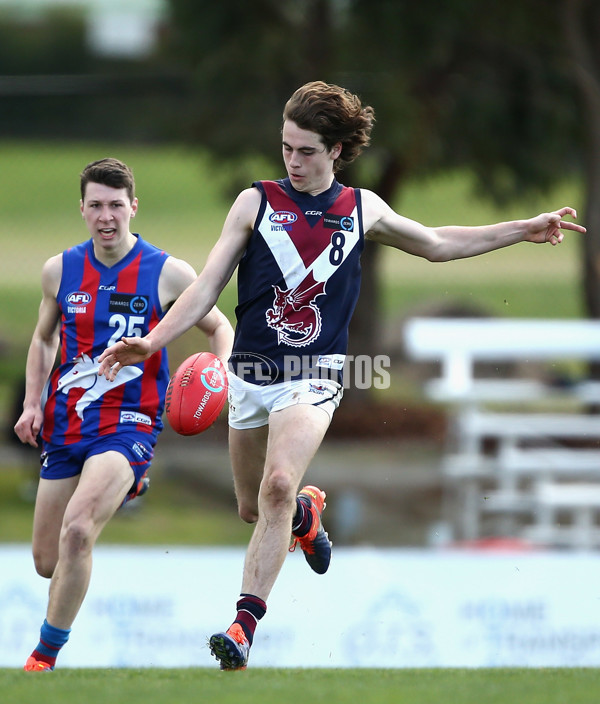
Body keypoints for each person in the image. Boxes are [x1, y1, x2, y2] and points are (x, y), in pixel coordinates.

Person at [98, 81, 586, 671]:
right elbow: (205, 288)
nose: (293, 161)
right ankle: (306, 515)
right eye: (286, 148)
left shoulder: (361, 209)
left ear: (335, 151)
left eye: (306, 151)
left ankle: (242, 628)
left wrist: (520, 228)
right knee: (256, 509)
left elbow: (435, 243)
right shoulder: (255, 203)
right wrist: (151, 341)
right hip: (250, 373)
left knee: (276, 484)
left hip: (316, 373)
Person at [14, 158, 234, 671]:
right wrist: (31, 403)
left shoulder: (168, 272)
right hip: (67, 422)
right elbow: (44, 337)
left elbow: (220, 329)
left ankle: (43, 658)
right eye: (96, 205)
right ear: (83, 210)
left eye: (116, 205)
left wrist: (216, 374)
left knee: (78, 531)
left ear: (134, 207)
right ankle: (130, 486)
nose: (106, 216)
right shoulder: (59, 270)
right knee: (49, 561)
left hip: (129, 422)